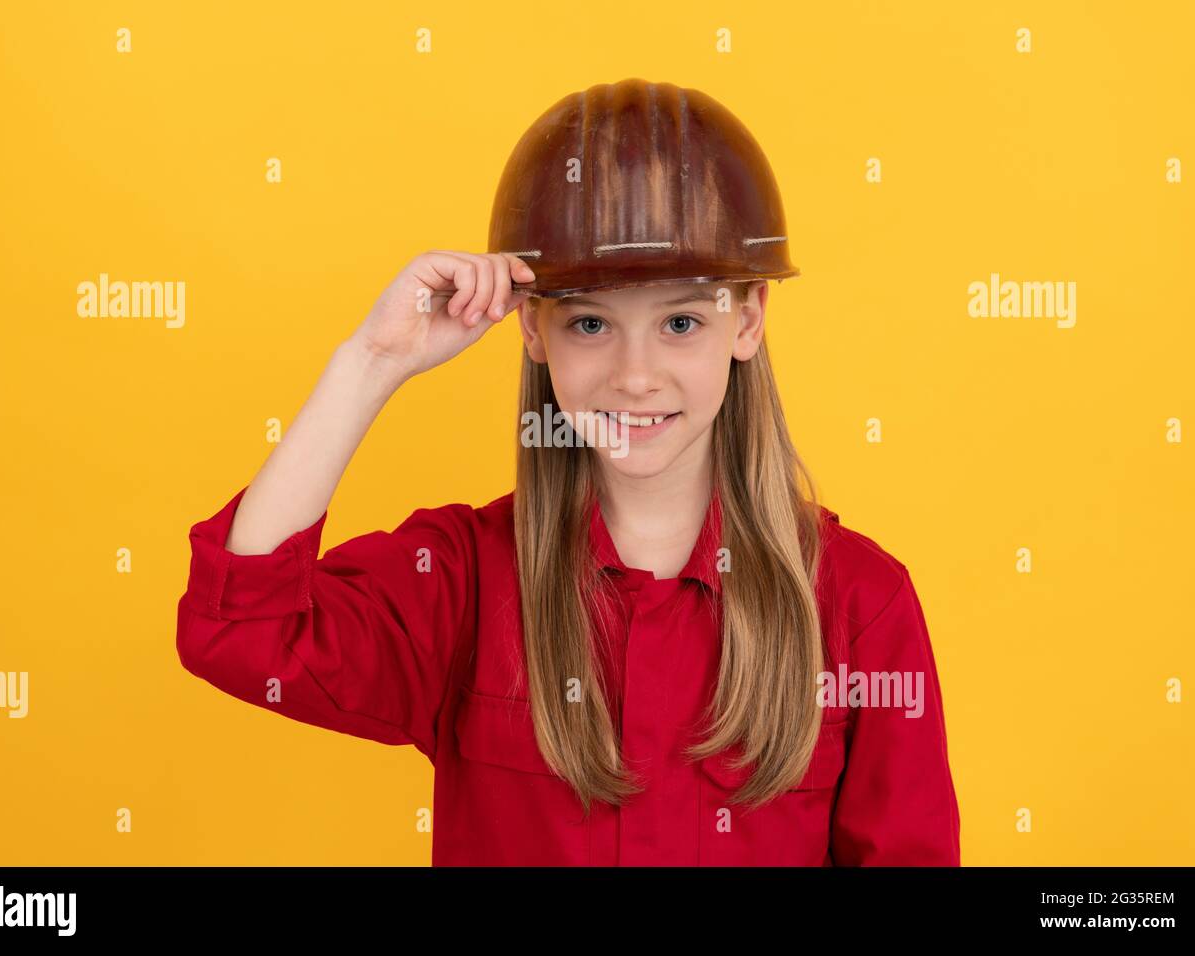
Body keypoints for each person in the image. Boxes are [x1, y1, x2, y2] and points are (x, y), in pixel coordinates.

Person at [175, 78, 960, 866]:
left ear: (747, 320)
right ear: (534, 331)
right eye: (591, 322)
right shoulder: (462, 580)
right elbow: (242, 632)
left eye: (681, 321)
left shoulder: (859, 604)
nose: (636, 375)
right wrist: (372, 363)